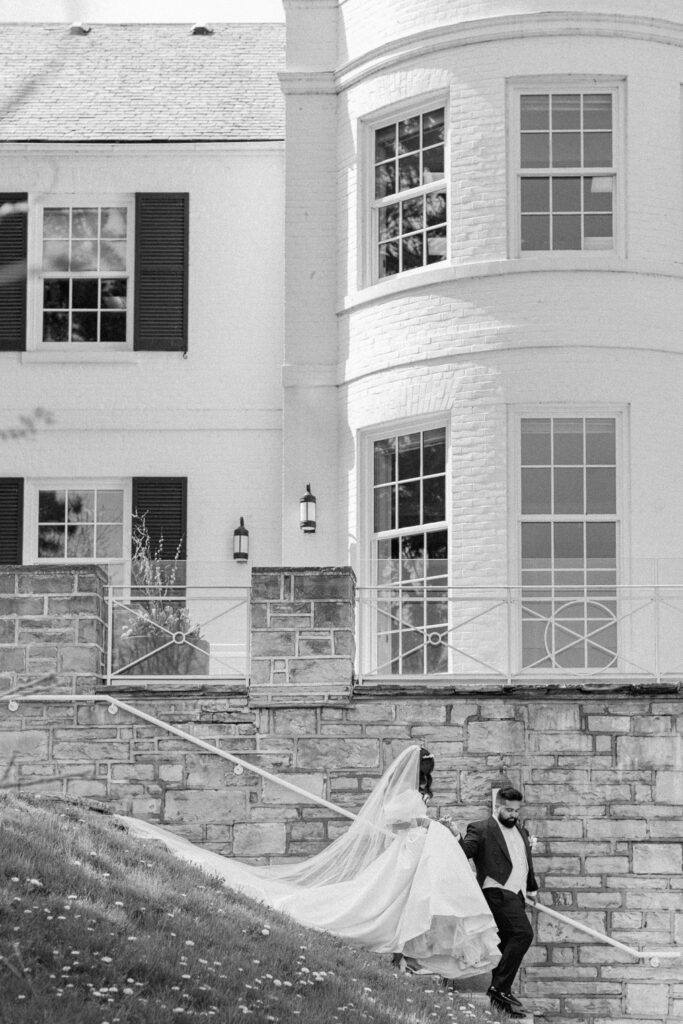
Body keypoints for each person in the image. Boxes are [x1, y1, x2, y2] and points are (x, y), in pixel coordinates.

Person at [119, 744, 501, 980]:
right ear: (420, 770)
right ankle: (396, 950)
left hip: (415, 855)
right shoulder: (401, 791)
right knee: (380, 899)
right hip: (406, 855)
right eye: (427, 771)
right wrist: (425, 822)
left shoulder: (415, 791)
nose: (428, 778)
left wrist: (431, 825)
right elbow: (394, 821)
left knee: (403, 902)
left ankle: (403, 953)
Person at [448, 786, 538, 1017]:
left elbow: (523, 862)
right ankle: (499, 987)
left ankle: (500, 1007)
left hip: (516, 896)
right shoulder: (481, 828)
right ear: (497, 806)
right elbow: (465, 852)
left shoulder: (521, 831)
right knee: (523, 934)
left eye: (517, 810)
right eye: (508, 810)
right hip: (496, 892)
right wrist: (455, 834)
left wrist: (531, 889)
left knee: (506, 943)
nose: (513, 814)